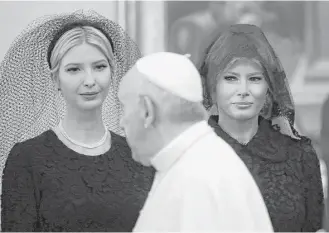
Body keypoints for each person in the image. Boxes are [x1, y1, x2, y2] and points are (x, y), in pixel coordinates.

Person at [0, 10, 154, 231]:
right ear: (56, 79)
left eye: (99, 67)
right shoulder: (27, 158)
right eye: (74, 70)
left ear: (112, 71)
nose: (89, 80)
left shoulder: (139, 156)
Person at [118, 52, 274, 232]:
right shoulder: (197, 162)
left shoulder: (197, 178)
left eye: (124, 107)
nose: (122, 123)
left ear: (147, 110)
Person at [198, 24, 324, 232]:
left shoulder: (299, 156)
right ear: (213, 85)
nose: (243, 91)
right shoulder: (193, 153)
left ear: (268, 87)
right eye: (231, 78)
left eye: (254, 79)